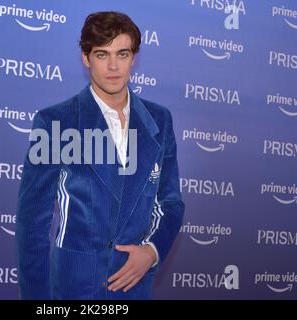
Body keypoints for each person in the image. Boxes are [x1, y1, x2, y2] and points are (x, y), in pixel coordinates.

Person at [15, 11, 185, 300]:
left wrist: (151, 251)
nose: (114, 66)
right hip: (72, 287)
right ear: (86, 57)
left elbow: (170, 203)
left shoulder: (160, 120)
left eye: (122, 53)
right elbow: (32, 222)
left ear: (134, 57)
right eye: (102, 55)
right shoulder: (56, 122)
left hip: (133, 287)